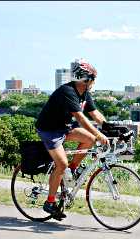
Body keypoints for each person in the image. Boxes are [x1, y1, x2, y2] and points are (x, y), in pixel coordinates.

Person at [35, 58, 110, 220]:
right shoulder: (68, 92)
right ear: (86, 79)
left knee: (89, 139)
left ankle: (73, 170)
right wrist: (100, 134)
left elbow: (95, 114)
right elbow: (82, 119)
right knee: (61, 164)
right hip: (49, 130)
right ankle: (50, 202)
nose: (94, 82)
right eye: (93, 79)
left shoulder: (84, 93)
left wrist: (109, 128)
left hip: (64, 127)